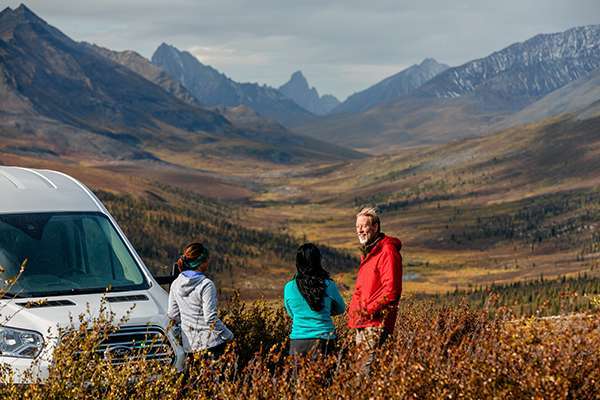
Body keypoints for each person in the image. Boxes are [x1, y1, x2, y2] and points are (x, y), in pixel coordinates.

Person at [348, 207, 402, 371]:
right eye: (358, 227)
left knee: (364, 374)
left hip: (375, 322)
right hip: (363, 323)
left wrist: (368, 310)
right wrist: (354, 312)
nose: (360, 230)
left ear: (376, 227)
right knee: (360, 371)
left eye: (364, 226)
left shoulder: (387, 251)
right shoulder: (370, 253)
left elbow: (392, 291)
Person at [167, 242, 233, 361]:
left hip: (190, 346)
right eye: (207, 260)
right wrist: (228, 335)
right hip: (212, 345)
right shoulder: (206, 285)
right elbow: (210, 319)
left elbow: (172, 314)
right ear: (201, 263)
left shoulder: (175, 284)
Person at [284, 243, 346, 357]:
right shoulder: (328, 284)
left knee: (298, 375)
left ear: (298, 263)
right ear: (318, 261)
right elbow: (341, 308)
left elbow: (291, 313)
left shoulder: (289, 287)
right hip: (325, 340)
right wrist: (325, 311)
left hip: (298, 342)